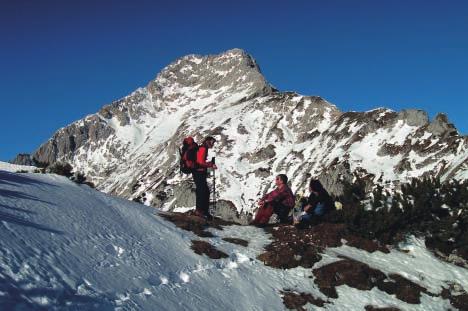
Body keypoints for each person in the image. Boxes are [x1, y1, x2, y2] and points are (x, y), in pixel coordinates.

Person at [192, 136, 217, 220]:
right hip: (199, 172)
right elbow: (200, 162)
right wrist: (210, 164)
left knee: (203, 191)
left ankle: (202, 211)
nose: (213, 144)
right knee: (203, 191)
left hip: (198, 172)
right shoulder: (203, 148)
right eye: (212, 142)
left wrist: (209, 163)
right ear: (207, 141)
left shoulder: (202, 148)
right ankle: (200, 211)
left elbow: (200, 161)